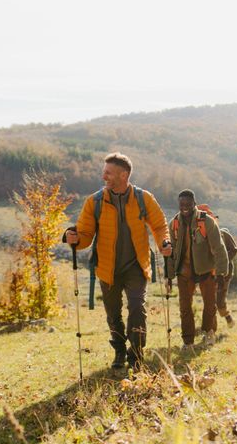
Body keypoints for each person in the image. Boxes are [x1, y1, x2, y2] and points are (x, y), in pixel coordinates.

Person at [64, 152, 171, 371]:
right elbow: (84, 234)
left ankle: (136, 354)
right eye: (104, 172)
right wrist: (73, 238)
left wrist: (164, 243)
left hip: (136, 267)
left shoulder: (143, 198)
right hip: (107, 268)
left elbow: (159, 226)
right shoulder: (95, 202)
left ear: (124, 175)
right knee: (113, 315)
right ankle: (120, 350)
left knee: (137, 309)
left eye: (109, 173)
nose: (104, 177)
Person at [167, 190, 229, 350]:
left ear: (194, 203)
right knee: (184, 308)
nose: (185, 207)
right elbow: (171, 253)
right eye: (182, 204)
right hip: (184, 272)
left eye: (188, 204)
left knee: (210, 305)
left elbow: (219, 248)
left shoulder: (206, 221)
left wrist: (221, 273)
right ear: (178, 204)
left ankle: (209, 333)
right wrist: (169, 275)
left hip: (206, 271)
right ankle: (188, 342)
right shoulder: (173, 224)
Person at [197, 204, 237, 327]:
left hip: (224, 273)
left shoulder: (223, 234)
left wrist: (221, 262)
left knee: (219, 302)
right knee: (209, 301)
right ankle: (211, 328)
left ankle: (227, 317)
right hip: (208, 273)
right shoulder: (199, 239)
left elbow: (234, 249)